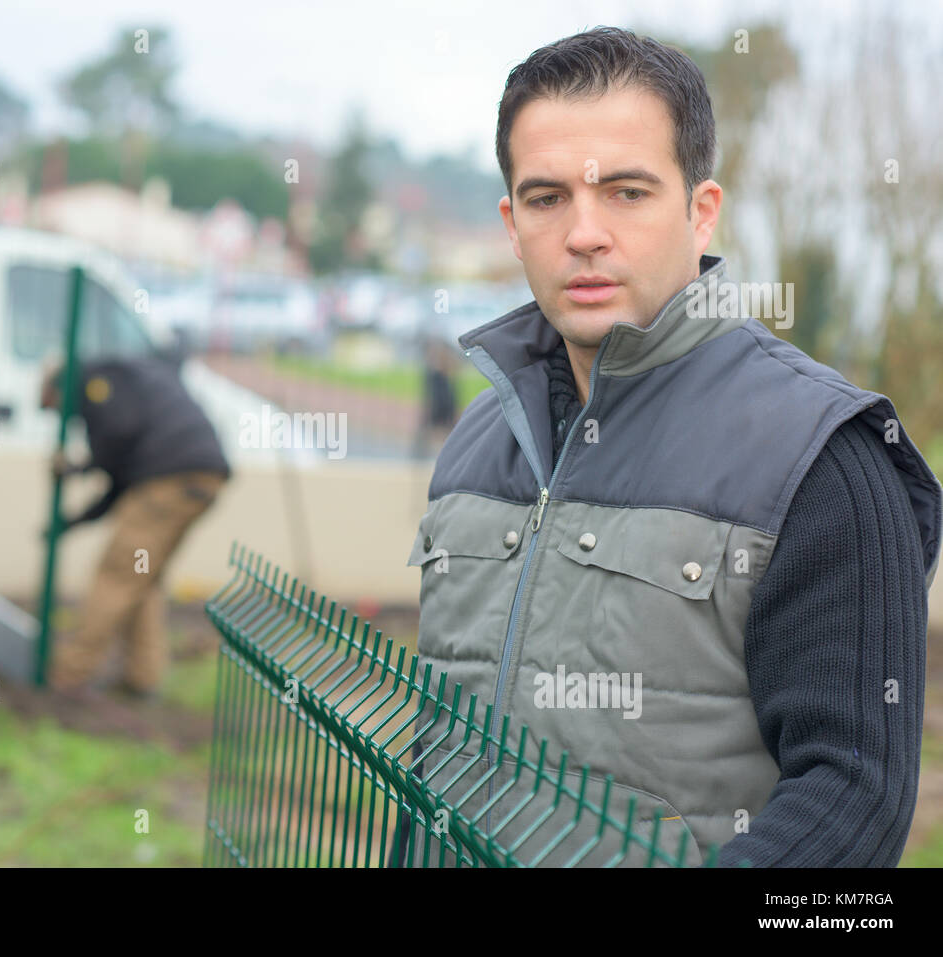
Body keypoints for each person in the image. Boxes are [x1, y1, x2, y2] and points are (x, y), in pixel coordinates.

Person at [396, 27, 941, 868]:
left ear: (700, 209)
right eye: (546, 198)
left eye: (625, 192)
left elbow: (852, 802)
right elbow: (439, 752)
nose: (583, 233)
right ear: (511, 223)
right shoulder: (477, 440)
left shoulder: (822, 456)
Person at [40, 352, 230, 701]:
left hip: (169, 480)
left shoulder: (100, 383)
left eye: (51, 406)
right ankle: (142, 676)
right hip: (200, 479)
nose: (59, 415)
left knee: (116, 576)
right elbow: (118, 481)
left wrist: (80, 469)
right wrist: (72, 522)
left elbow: (117, 441)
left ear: (57, 387)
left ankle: (68, 676)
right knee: (141, 576)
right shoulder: (123, 385)